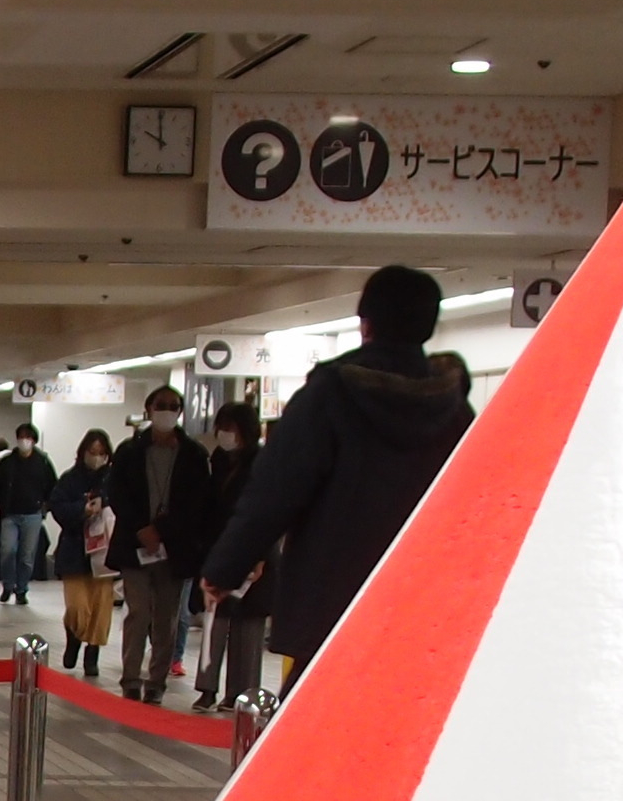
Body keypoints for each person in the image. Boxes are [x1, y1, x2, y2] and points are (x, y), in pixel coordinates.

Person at [198, 265, 476, 681]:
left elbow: (275, 492)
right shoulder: (455, 410)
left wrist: (225, 568)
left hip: (331, 598)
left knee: (317, 709)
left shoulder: (330, 395)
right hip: (423, 599)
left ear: (366, 323)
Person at [101, 387, 214, 701]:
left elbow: (197, 503)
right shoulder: (129, 451)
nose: (167, 410)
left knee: (167, 618)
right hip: (134, 545)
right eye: (161, 405)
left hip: (174, 548)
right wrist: (142, 529)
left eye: (173, 406)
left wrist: (161, 530)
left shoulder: (194, 455)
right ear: (149, 408)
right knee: (137, 613)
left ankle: (156, 682)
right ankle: (130, 678)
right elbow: (117, 493)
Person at [192, 400, 269, 709]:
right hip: (220, 549)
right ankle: (207, 688)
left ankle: (241, 692)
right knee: (214, 621)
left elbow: (268, 513)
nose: (225, 433)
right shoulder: (218, 461)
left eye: (230, 427)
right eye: (221, 427)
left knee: (247, 628)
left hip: (255, 552)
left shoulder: (263, 463)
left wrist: (261, 556)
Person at [55, 430, 118, 675]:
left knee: (101, 608)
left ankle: (92, 653)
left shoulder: (113, 479)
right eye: (92, 452)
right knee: (78, 607)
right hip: (75, 551)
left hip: (105, 554)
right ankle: (73, 635)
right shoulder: (69, 479)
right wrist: (83, 509)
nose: (97, 457)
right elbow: (58, 507)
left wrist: (105, 501)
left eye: (102, 453)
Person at [0, 421, 57, 609]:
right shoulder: (7, 462)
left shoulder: (42, 462)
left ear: (34, 440)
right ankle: (7, 585)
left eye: (28, 437)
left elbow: (53, 486)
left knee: (27, 556)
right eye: (21, 437)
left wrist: (47, 506)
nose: (24, 441)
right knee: (8, 551)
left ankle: (21, 589)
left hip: (32, 514)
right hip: (9, 513)